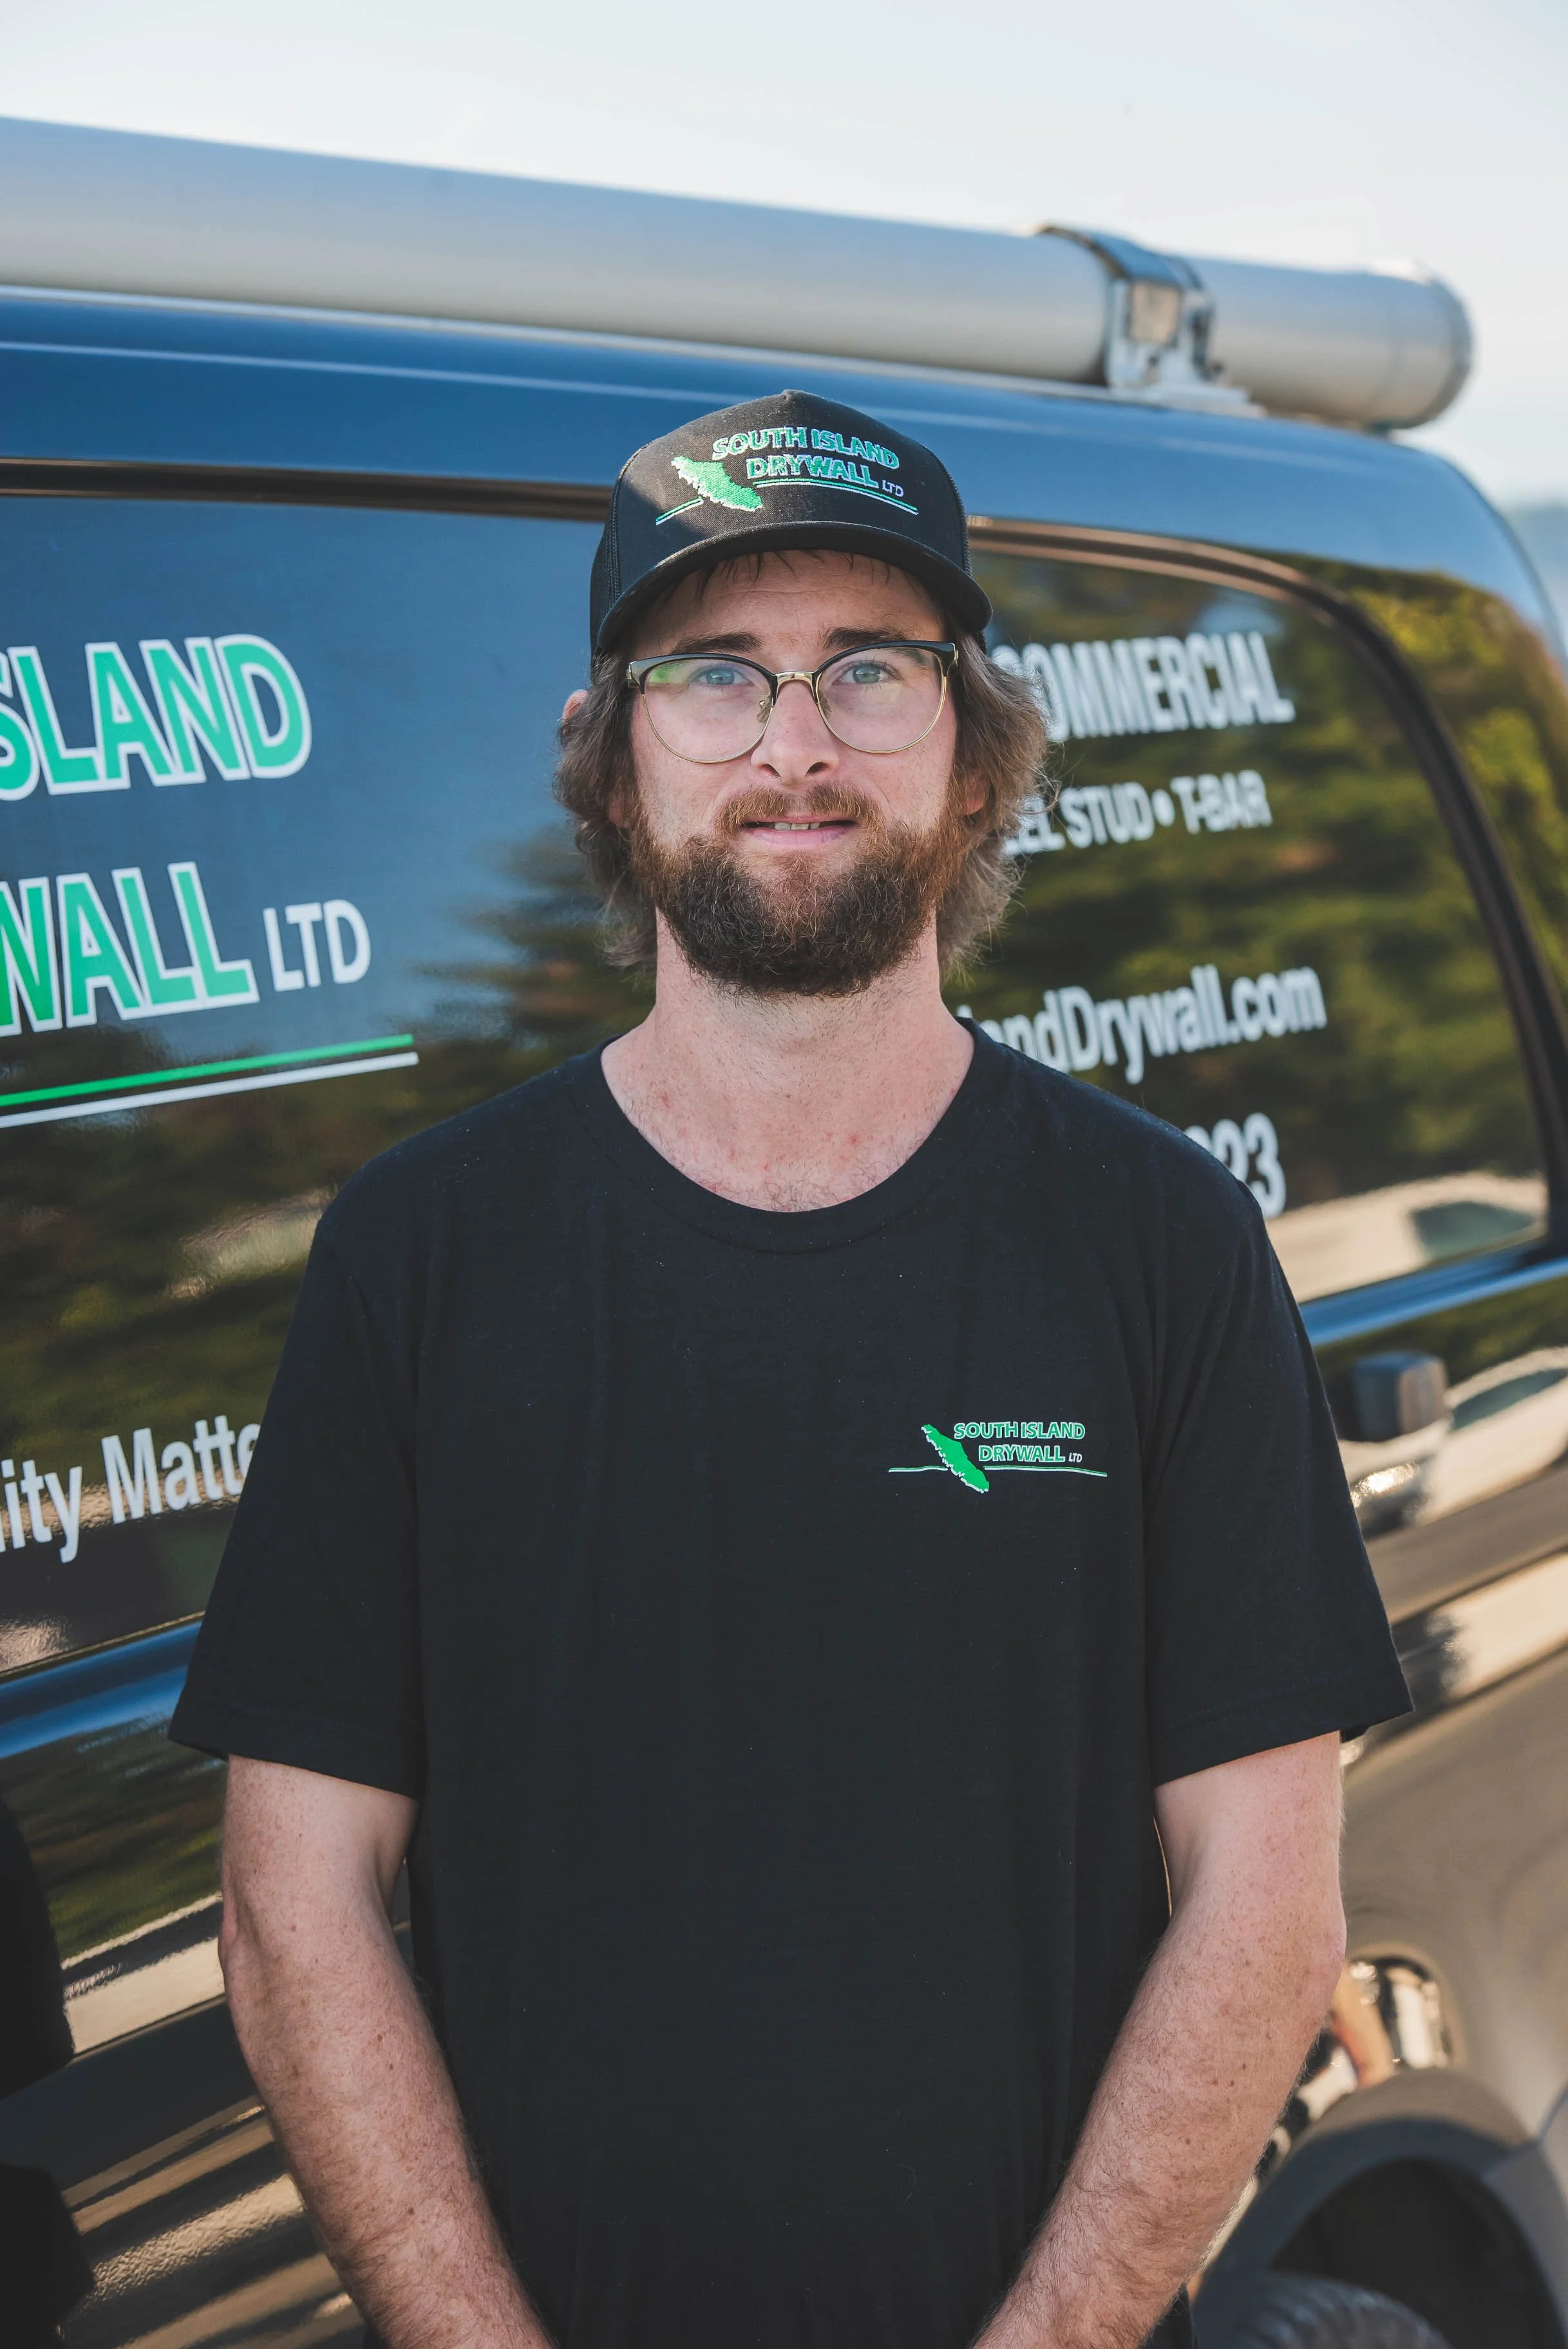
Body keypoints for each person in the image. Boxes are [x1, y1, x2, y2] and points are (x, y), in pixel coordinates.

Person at [172, 389, 1412, 2349]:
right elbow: (291, 1906)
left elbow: (1266, 1909)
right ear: (614, 759)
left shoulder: (1160, 1243)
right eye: (716, 676)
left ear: (976, 756)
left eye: (871, 669)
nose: (798, 742)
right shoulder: (422, 1255)